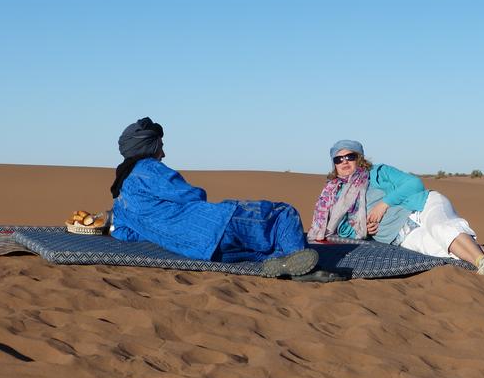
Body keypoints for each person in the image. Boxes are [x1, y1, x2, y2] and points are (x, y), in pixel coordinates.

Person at [109, 117, 328, 279]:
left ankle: (281, 263)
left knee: (264, 247)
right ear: (150, 147)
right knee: (283, 214)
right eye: (161, 147)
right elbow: (191, 196)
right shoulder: (148, 169)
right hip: (217, 225)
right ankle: (299, 262)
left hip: (203, 252)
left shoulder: (120, 201)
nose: (163, 154)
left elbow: (124, 234)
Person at [308, 140, 484, 280]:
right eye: (339, 159)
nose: (345, 162)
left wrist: (384, 204)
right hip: (399, 236)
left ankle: (483, 264)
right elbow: (340, 229)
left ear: (360, 159)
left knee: (443, 228)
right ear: (334, 164)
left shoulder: (378, 173)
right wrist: (362, 227)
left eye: (350, 157)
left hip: (421, 207)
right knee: (440, 247)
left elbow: (414, 184)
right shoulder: (334, 196)